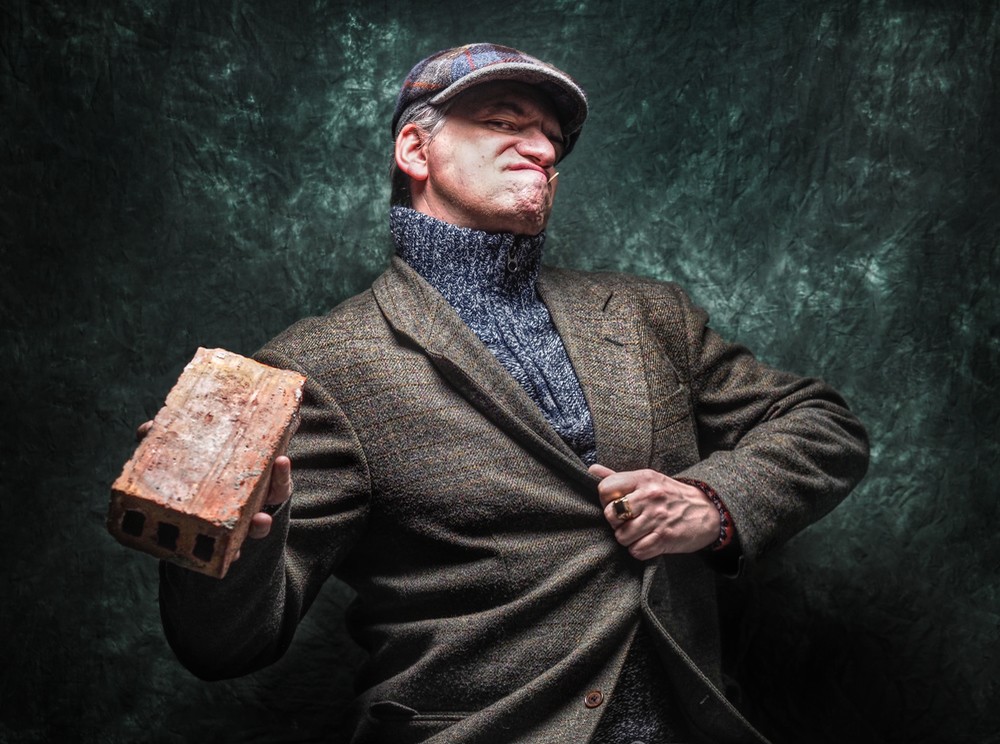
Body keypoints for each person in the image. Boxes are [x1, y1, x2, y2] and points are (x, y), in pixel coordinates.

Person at [158, 43, 869, 743]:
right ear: (415, 150)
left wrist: (714, 503)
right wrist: (226, 525)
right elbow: (222, 645)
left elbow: (822, 425)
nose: (544, 150)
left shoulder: (647, 312)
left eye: (553, 137)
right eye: (504, 122)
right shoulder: (319, 366)